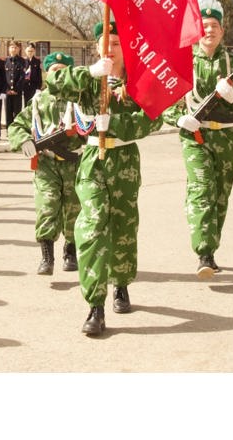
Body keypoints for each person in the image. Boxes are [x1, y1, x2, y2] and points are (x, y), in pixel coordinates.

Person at [45, 21, 163, 336]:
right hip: (93, 161)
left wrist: (118, 126)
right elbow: (53, 82)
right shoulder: (87, 78)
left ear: (125, 49)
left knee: (123, 227)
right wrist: (90, 73)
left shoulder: (137, 81)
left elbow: (154, 119)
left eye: (115, 43)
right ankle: (95, 306)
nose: (109, 49)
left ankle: (121, 283)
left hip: (124, 160)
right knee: (92, 228)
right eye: (103, 43)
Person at [163, 8, 233, 279]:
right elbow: (165, 101)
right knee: (202, 189)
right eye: (204, 26)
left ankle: (211, 250)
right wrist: (178, 118)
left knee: (220, 196)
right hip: (196, 136)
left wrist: (232, 97)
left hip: (227, 137)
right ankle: (203, 252)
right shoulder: (182, 61)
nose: (210, 31)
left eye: (215, 25)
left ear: (222, 31)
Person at [8, 51, 83, 276]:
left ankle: (70, 252)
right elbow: (16, 126)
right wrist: (24, 141)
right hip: (46, 163)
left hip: (73, 162)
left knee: (74, 209)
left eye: (63, 71)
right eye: (54, 71)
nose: (58, 75)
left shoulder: (80, 98)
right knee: (47, 206)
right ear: (47, 74)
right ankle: (47, 256)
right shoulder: (39, 100)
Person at [4, 40, 26, 128]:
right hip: (8, 92)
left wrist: (16, 89)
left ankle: (17, 130)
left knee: (17, 113)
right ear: (9, 49)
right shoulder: (5, 61)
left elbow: (22, 77)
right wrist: (7, 89)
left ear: (19, 49)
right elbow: (3, 77)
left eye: (16, 48)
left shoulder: (22, 61)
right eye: (12, 47)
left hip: (17, 92)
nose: (14, 49)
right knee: (8, 112)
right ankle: (9, 130)